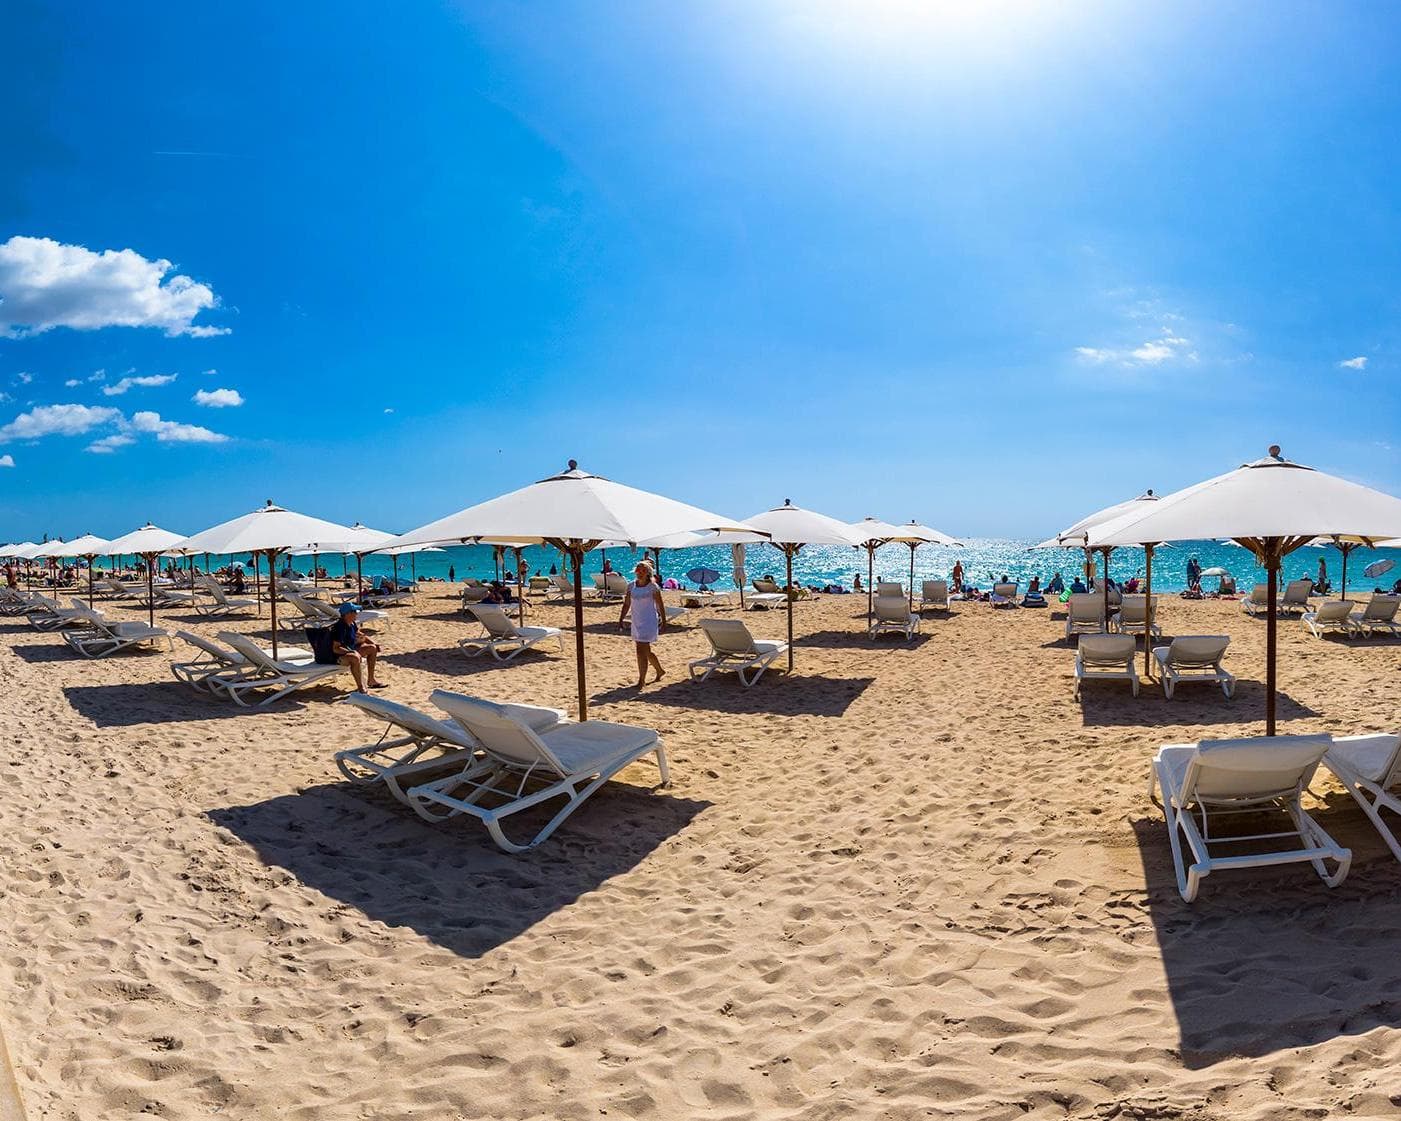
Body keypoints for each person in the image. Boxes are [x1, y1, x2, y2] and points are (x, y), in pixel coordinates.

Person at [619, 560, 666, 688]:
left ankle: (641, 680)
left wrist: (664, 621)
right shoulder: (631, 586)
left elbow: (660, 605)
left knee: (640, 650)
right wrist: (621, 619)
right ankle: (660, 670)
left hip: (649, 621)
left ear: (648, 573)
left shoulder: (652, 587)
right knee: (646, 651)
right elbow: (627, 604)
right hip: (636, 621)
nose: (639, 572)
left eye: (643, 570)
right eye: (638, 570)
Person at [328, 603, 383, 692]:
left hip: (349, 650)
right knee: (354, 657)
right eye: (355, 612)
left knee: (372, 648)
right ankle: (361, 687)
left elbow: (361, 635)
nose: (357, 614)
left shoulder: (352, 623)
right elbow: (335, 648)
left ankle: (371, 680)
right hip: (337, 656)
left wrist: (374, 644)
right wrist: (351, 652)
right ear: (348, 614)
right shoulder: (339, 628)